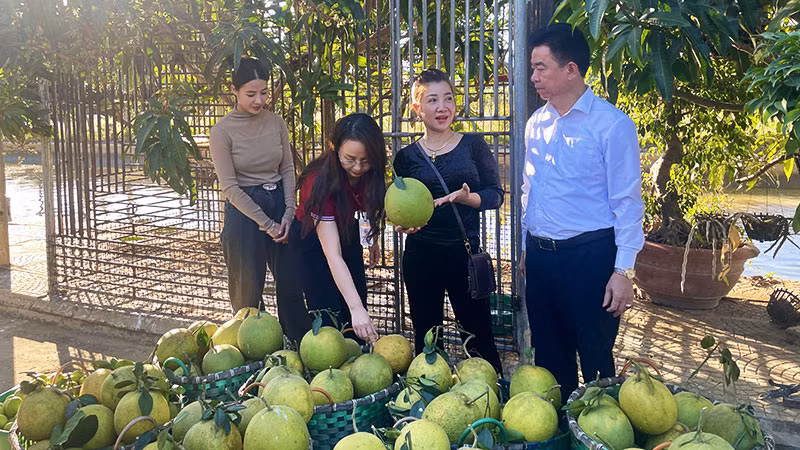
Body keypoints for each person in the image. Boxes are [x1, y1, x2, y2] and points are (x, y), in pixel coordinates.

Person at [520, 23, 645, 399]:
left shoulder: (612, 125)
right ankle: (557, 430)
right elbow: (530, 189)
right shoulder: (536, 124)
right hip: (541, 259)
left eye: (541, 67)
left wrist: (623, 271)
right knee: (549, 361)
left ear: (571, 68)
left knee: (595, 359)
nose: (533, 77)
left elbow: (627, 202)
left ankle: (595, 431)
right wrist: (528, 247)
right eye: (533, 67)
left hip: (589, 258)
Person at [394, 68, 504, 375]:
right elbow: (400, 206)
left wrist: (467, 198)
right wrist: (402, 224)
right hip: (421, 256)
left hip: (464, 255)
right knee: (428, 336)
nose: (442, 107)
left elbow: (496, 195)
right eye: (432, 100)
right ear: (417, 109)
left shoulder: (474, 146)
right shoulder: (406, 158)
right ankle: (429, 396)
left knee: (479, 334)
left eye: (448, 98)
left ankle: (492, 392)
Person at [210, 57, 311, 343]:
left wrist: (289, 212)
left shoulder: (276, 122)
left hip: (279, 201)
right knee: (247, 290)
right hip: (244, 210)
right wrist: (266, 223)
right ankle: (251, 349)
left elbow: (288, 168)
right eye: (250, 94)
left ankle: (300, 344)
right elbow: (229, 187)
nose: (259, 100)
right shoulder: (222, 131)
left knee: (291, 281)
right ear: (234, 90)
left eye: (264, 93)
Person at [289, 113, 386, 344]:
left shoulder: (370, 170)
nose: (358, 167)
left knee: (357, 298)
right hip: (311, 240)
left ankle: (358, 363)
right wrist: (357, 310)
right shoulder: (318, 181)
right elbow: (332, 255)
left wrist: (373, 239)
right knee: (329, 315)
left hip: (345, 228)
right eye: (349, 159)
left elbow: (368, 203)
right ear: (335, 148)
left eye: (366, 160)